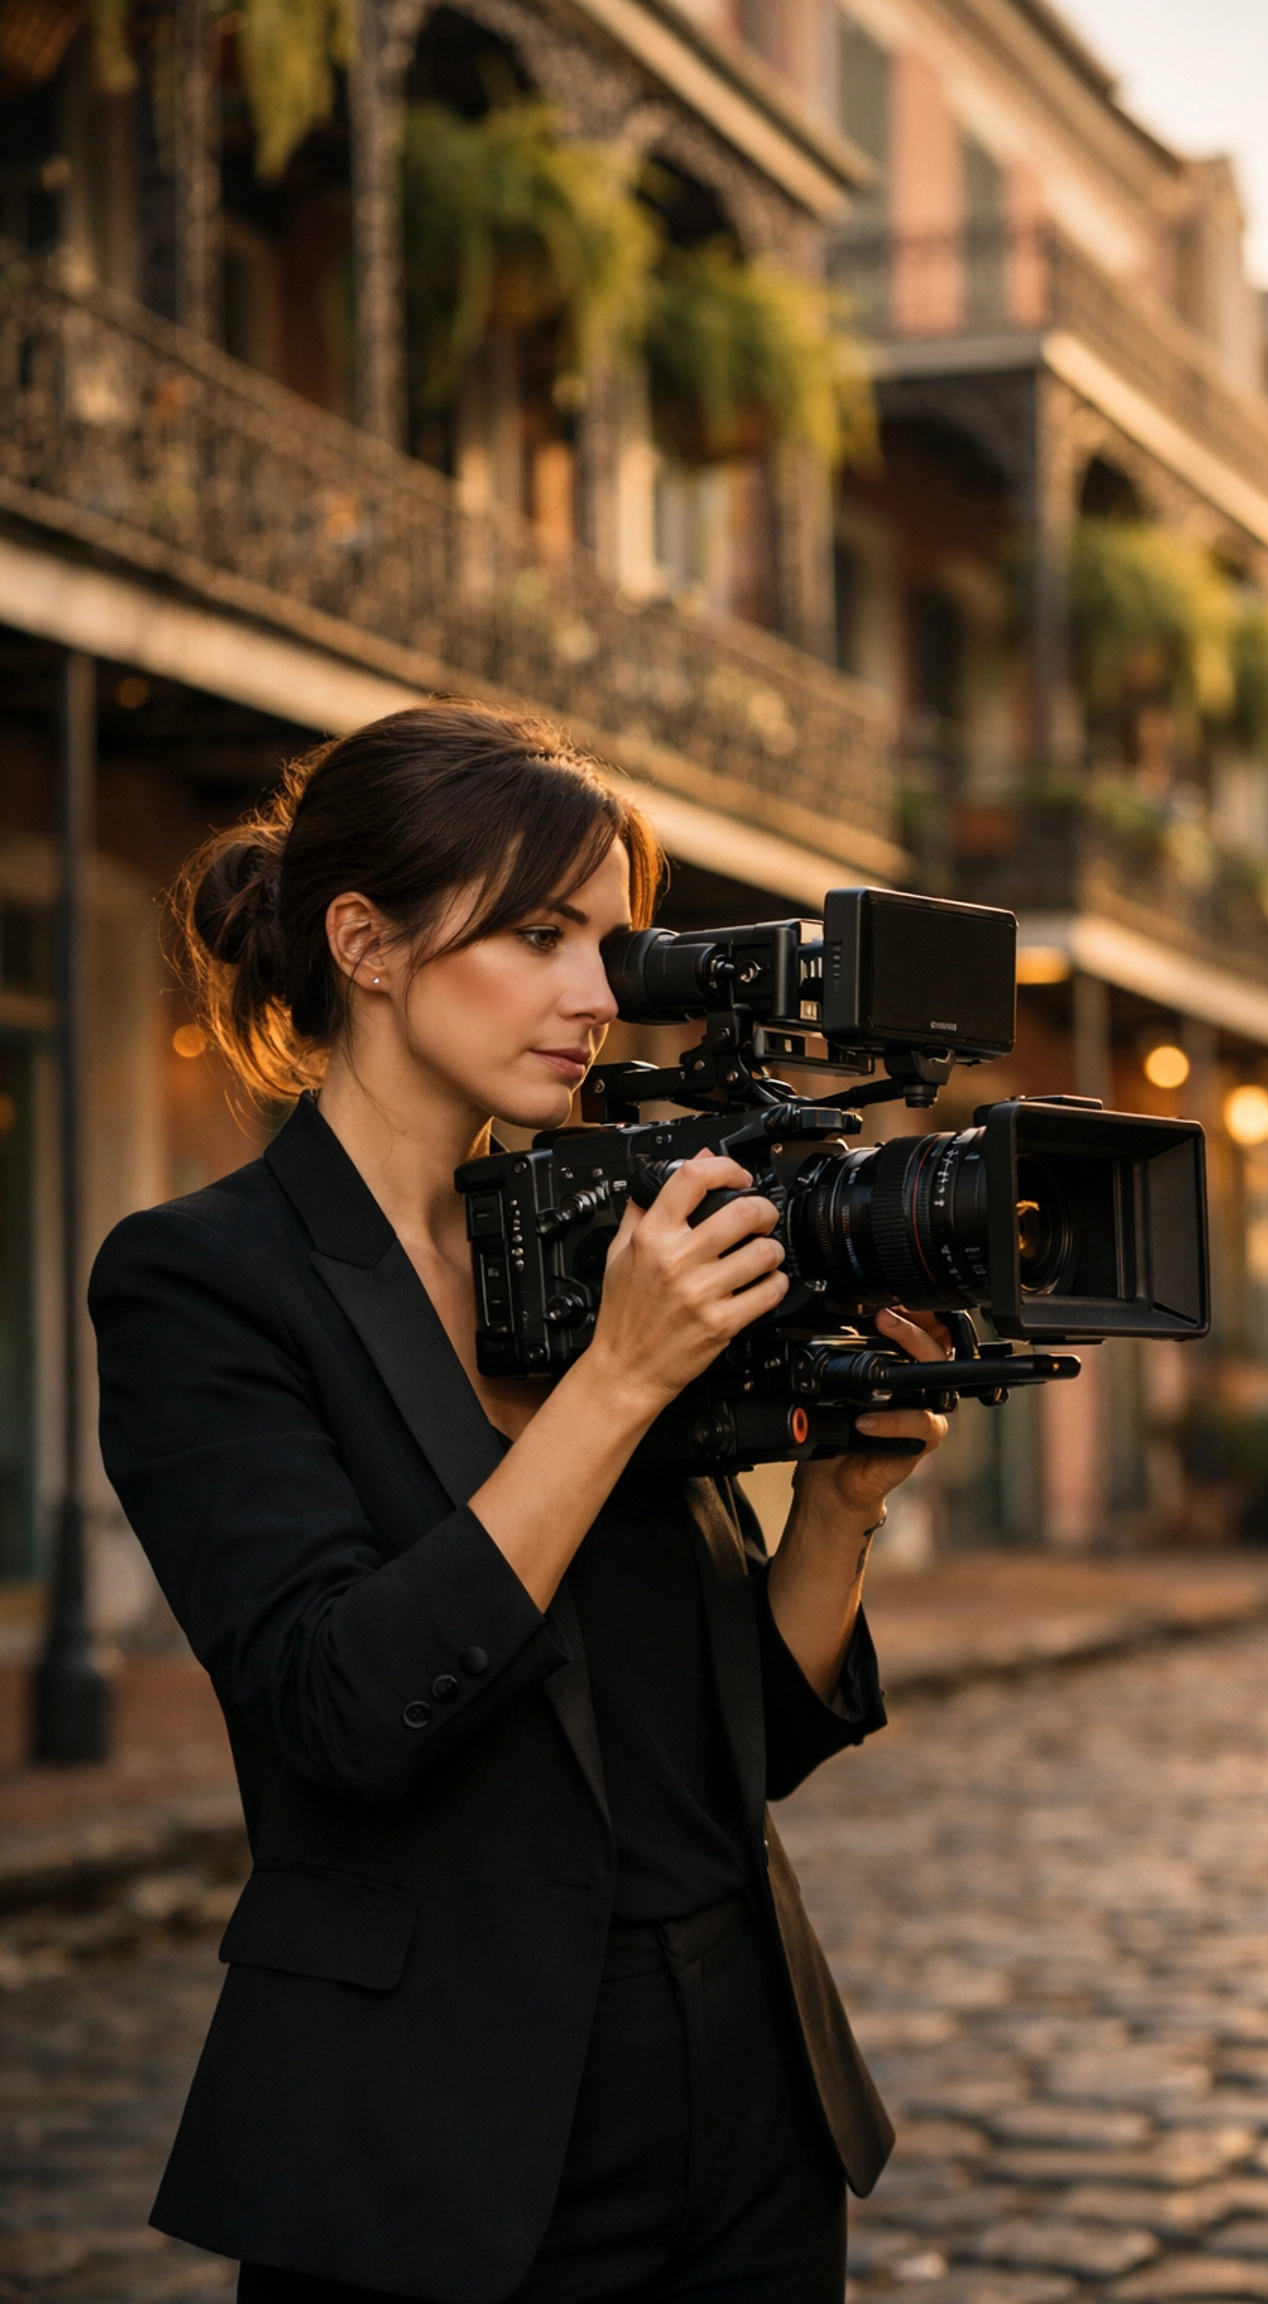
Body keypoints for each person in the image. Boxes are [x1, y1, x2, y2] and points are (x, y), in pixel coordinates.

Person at [89, 701, 951, 2304]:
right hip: (443, 2124)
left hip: (752, 2096)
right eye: (541, 935)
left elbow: (735, 1747)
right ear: (366, 941)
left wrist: (837, 1512)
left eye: (614, 945)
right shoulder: (205, 1282)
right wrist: (620, 1387)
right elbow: (340, 1702)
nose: (596, 999)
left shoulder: (598, 1234)